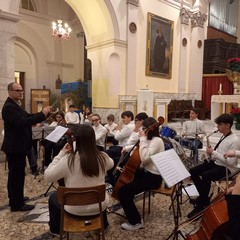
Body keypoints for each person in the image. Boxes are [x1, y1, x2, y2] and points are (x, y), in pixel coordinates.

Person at [44, 124, 114, 237]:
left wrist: (61, 153)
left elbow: (47, 176)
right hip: (99, 205)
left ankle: (56, 231)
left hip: (74, 209)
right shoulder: (103, 157)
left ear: (76, 140)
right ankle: (103, 225)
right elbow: (111, 164)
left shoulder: (68, 160)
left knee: (53, 197)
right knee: (100, 190)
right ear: (93, 139)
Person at [1, 82, 51, 212]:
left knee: (17, 174)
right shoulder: (9, 107)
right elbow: (23, 122)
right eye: (18, 91)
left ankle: (16, 198)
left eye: (21, 90)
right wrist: (42, 115)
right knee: (16, 175)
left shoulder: (16, 105)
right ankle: (17, 205)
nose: (21, 92)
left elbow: (27, 116)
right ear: (10, 92)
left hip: (18, 146)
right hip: (14, 147)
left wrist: (41, 114)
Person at [187, 114, 240, 219]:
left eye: (220, 125)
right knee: (193, 171)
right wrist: (211, 154)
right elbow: (219, 154)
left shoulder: (234, 140)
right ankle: (204, 197)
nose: (217, 127)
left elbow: (230, 162)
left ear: (228, 125)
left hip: (227, 168)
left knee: (206, 175)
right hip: (218, 162)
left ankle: (201, 206)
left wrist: (214, 153)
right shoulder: (224, 135)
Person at [118, 117, 164, 230]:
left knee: (123, 192)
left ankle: (136, 222)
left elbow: (144, 158)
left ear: (150, 129)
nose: (141, 131)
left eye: (143, 129)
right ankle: (129, 206)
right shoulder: (149, 139)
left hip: (154, 178)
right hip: (146, 172)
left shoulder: (157, 141)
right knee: (126, 179)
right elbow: (140, 149)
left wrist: (142, 138)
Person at [105, 111, 135, 184]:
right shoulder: (133, 125)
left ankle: (111, 177)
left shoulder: (128, 127)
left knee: (106, 155)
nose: (123, 120)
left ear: (130, 117)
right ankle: (110, 175)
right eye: (122, 118)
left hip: (123, 148)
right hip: (123, 147)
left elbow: (117, 137)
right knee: (110, 151)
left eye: (124, 118)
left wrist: (118, 130)